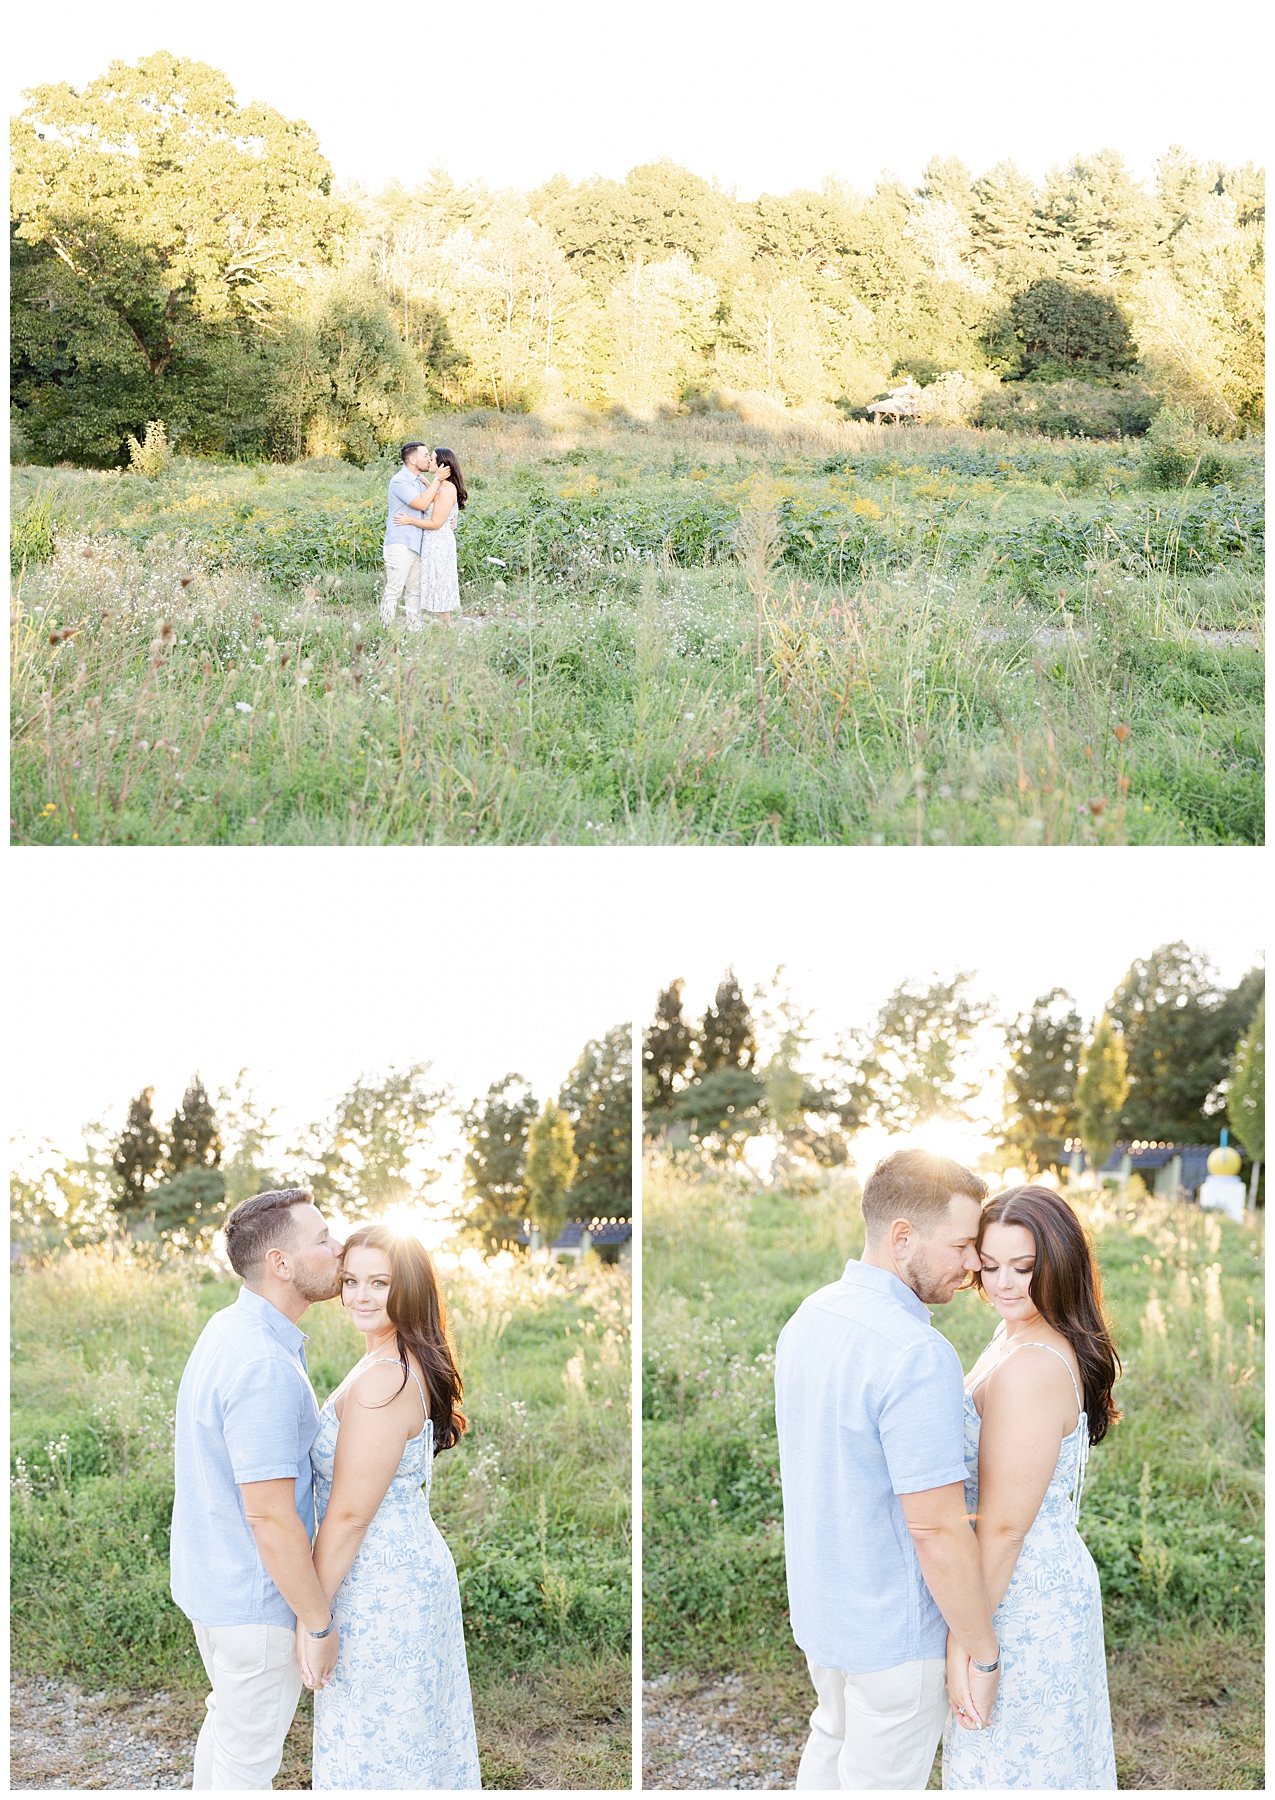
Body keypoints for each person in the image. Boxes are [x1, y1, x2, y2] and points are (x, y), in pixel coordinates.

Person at [774, 1149, 1000, 1791]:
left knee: (828, 1751)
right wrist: (983, 1651)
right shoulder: (917, 1352)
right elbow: (936, 1528)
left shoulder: (809, 1316)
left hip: (824, 1614)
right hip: (895, 1634)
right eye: (961, 1244)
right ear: (903, 1238)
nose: (974, 1264)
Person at [942, 1186, 1119, 1790]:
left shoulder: (1031, 1366)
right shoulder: (1014, 1335)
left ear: (1060, 1267)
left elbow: (1005, 1526)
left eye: (1024, 1268)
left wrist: (973, 1646)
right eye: (990, 1266)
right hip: (1018, 1583)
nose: (1002, 1285)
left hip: (1020, 1600)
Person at [170, 1189, 345, 1790]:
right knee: (247, 1770)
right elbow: (270, 1516)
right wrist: (318, 1623)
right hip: (255, 1604)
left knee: (227, 1737)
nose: (338, 1248)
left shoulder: (229, 1327)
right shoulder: (262, 1364)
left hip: (214, 1587)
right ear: (281, 1263)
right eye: (322, 1238)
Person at [307, 1224, 481, 1789]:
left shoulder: (382, 1380)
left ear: (407, 1288)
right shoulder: (393, 1359)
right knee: (404, 1742)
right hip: (400, 1569)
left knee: (378, 1747)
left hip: (379, 1586)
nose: (359, 1295)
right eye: (351, 1280)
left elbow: (352, 1514)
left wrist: (315, 1619)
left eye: (378, 1283)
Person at [392, 446, 467, 625]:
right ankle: (440, 624)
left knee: (442, 582)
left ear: (443, 466)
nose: (429, 461)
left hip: (439, 542)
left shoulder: (447, 489)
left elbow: (435, 523)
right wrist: (428, 482)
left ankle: (445, 624)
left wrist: (410, 520)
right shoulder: (439, 485)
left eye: (432, 459)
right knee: (435, 581)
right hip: (432, 542)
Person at [380, 443, 435, 629]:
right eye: (425, 455)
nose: (429, 459)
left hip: (418, 543)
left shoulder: (421, 481)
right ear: (412, 459)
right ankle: (385, 631)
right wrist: (436, 481)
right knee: (394, 590)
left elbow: (431, 507)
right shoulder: (400, 480)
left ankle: (415, 631)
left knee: (415, 591)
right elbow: (420, 503)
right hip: (400, 542)